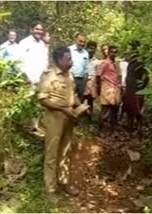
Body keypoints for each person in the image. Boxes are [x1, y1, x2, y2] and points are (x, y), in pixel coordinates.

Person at [38, 47, 81, 203]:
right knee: (52, 152)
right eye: (68, 59)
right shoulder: (49, 76)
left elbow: (73, 95)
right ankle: (50, 189)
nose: (71, 62)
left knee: (65, 150)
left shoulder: (69, 76)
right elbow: (43, 99)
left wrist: (80, 106)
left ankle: (64, 182)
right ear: (59, 60)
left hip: (69, 117)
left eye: (71, 58)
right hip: (54, 118)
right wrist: (62, 109)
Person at [123, 41, 149, 139]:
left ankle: (139, 133)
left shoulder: (140, 63)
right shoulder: (131, 64)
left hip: (137, 92)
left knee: (138, 114)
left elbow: (146, 77)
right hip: (130, 91)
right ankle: (131, 133)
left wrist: (142, 86)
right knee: (130, 113)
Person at [98, 45, 122, 135]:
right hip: (107, 88)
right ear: (108, 52)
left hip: (116, 88)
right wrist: (98, 88)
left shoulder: (116, 64)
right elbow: (98, 75)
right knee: (105, 110)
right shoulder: (105, 63)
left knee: (114, 110)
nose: (114, 54)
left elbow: (119, 76)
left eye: (115, 52)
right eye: (112, 52)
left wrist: (120, 88)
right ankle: (100, 131)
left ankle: (113, 131)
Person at [69, 33, 89, 101]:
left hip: (81, 80)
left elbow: (86, 69)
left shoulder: (86, 53)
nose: (82, 43)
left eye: (84, 42)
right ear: (76, 40)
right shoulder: (69, 50)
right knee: (70, 99)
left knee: (80, 100)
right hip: (70, 78)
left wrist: (84, 83)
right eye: (80, 41)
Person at [83, 41, 100, 117]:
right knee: (81, 99)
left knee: (90, 100)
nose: (91, 50)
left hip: (92, 82)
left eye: (93, 49)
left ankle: (89, 116)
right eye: (90, 48)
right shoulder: (82, 58)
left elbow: (97, 74)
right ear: (86, 48)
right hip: (83, 81)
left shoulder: (97, 61)